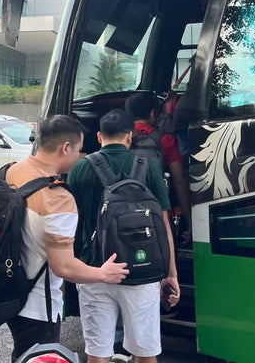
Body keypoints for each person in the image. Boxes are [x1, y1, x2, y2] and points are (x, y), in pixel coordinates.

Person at [4, 115, 129, 362]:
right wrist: (103, 274)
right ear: (66, 147)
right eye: (79, 150)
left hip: (9, 290)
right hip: (39, 305)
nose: (80, 156)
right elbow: (63, 266)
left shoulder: (12, 171)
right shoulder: (58, 198)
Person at [67, 109, 180, 363]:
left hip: (94, 269)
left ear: (99, 136)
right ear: (130, 136)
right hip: (141, 270)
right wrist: (170, 273)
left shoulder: (80, 169)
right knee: (146, 352)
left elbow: (71, 223)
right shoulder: (148, 167)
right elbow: (163, 223)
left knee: (97, 353)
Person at [126, 93, 191, 232]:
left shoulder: (122, 138)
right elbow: (179, 179)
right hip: (156, 208)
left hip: (124, 206)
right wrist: (189, 218)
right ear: (153, 113)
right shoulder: (165, 139)